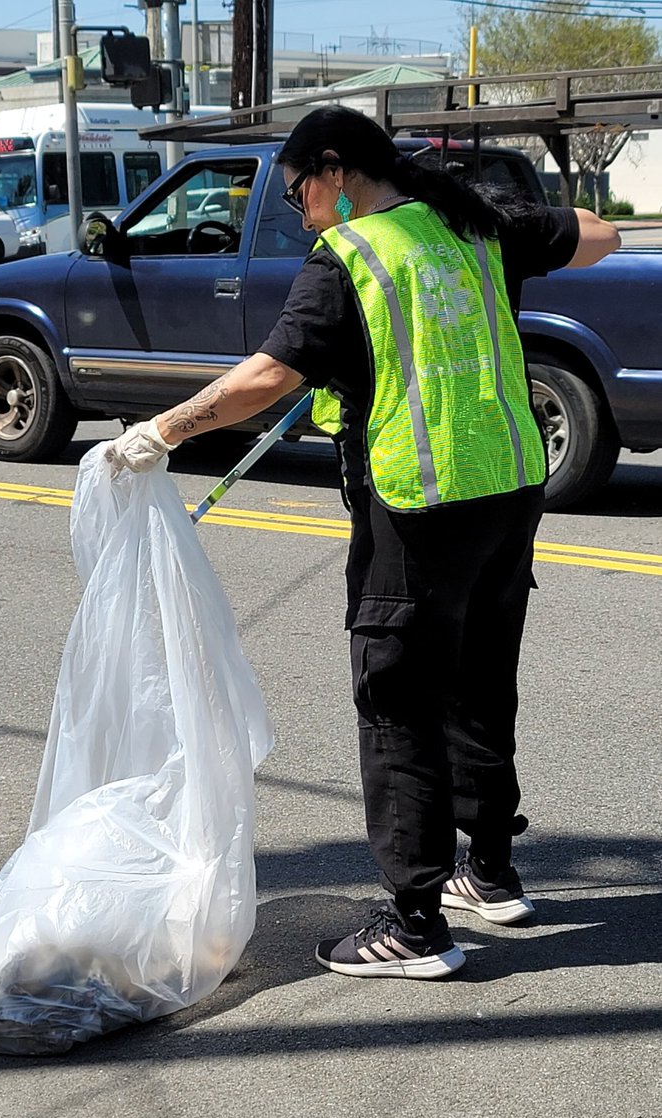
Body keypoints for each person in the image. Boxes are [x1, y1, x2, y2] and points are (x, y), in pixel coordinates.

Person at [106, 107, 621, 981]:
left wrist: (161, 432)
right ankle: (489, 873)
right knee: (479, 683)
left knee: (397, 700)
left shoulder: (349, 257)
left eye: (300, 190)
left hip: (419, 505)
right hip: (509, 490)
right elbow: (601, 235)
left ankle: (417, 925)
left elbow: (267, 377)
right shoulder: (472, 227)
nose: (300, 211)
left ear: (335, 170)